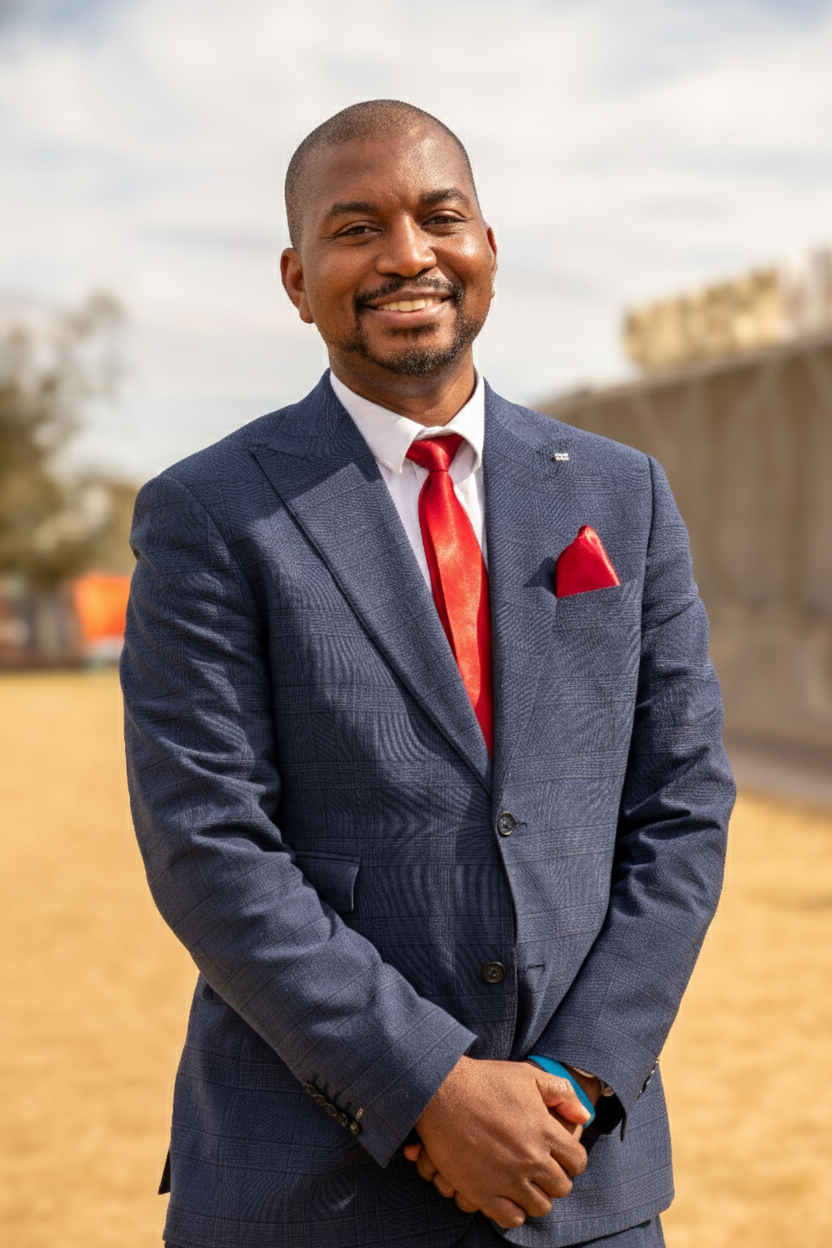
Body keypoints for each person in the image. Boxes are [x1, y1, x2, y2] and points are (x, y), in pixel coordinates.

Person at [121, 100, 735, 1248]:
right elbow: (206, 842)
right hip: (307, 1188)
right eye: (357, 228)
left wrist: (575, 1078)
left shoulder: (622, 496)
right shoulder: (208, 511)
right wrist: (429, 1089)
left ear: (488, 250)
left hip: (579, 1180)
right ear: (298, 279)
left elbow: (684, 805)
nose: (407, 254)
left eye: (438, 217)